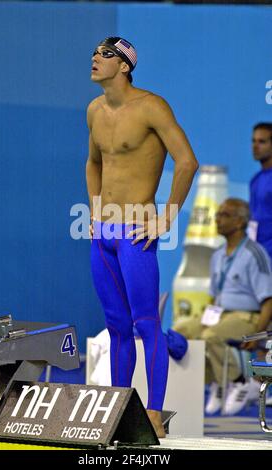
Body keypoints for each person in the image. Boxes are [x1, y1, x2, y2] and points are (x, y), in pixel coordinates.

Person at [86, 36, 198, 437]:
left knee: (146, 323)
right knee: (116, 325)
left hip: (137, 230)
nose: (95, 59)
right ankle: (119, 409)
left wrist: (166, 217)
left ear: (125, 66)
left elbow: (187, 162)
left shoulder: (151, 106)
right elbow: (93, 162)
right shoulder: (95, 110)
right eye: (95, 53)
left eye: (105, 54)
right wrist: (96, 209)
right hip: (104, 233)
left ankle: (152, 413)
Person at [175, 198, 272, 415]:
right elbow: (214, 297)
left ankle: (238, 381)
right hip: (220, 314)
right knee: (183, 329)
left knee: (211, 336)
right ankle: (217, 382)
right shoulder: (217, 254)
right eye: (218, 214)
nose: (217, 219)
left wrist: (258, 334)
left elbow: (269, 300)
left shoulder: (254, 254)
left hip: (248, 316)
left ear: (239, 222)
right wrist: (202, 318)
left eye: (224, 215)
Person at [250, 123, 272, 259]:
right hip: (258, 257)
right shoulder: (255, 180)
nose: (255, 146)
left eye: (262, 142)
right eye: (253, 141)